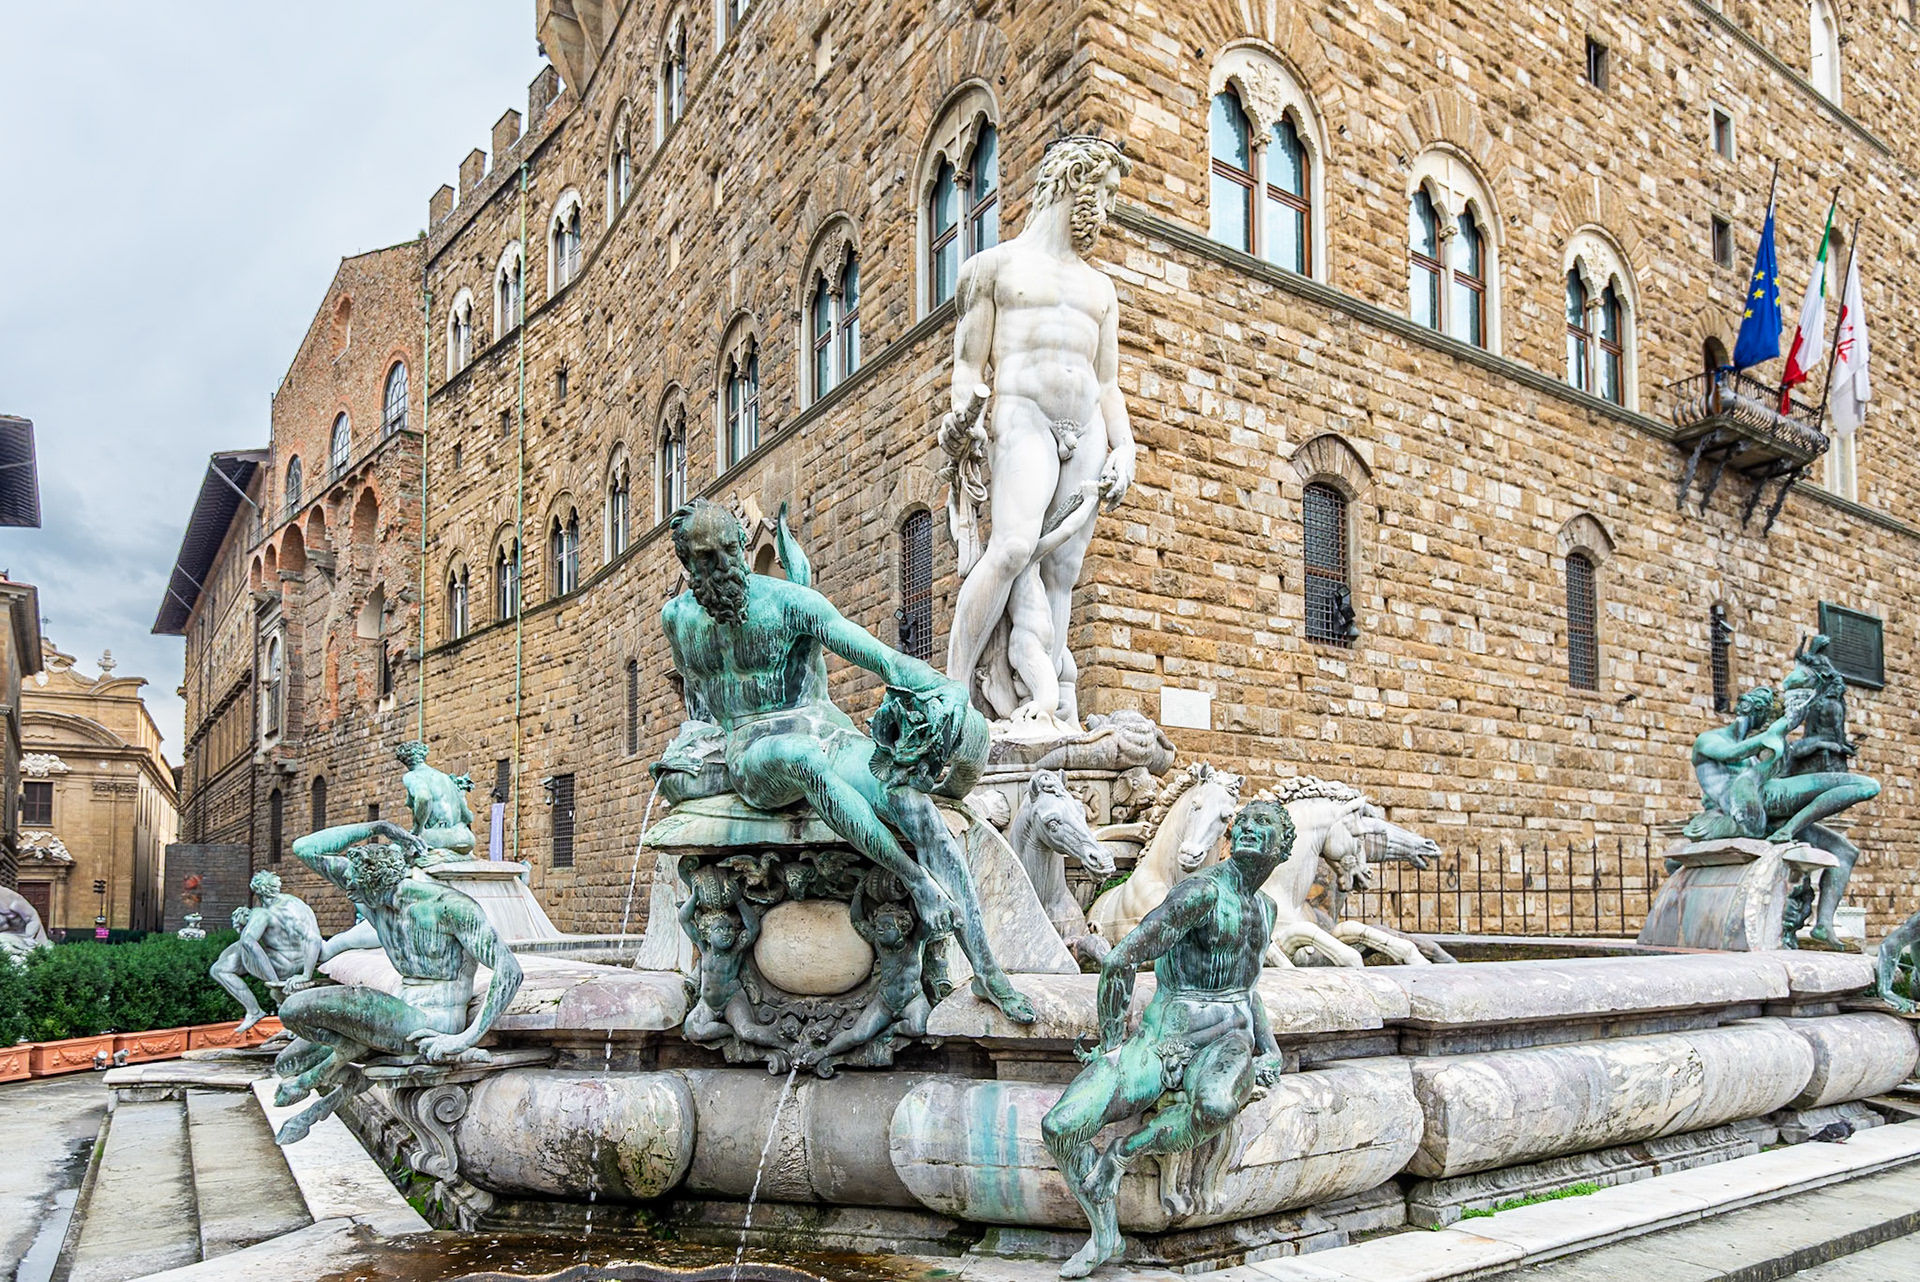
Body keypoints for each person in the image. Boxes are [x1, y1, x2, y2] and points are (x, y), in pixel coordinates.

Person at [658, 498, 1034, 1024]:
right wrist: (694, 749)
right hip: (754, 750)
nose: (720, 564)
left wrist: (942, 686)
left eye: (727, 550)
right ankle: (919, 884)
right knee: (804, 760)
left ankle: (989, 971)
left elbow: (875, 655)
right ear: (688, 564)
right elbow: (700, 703)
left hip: (826, 729)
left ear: (743, 547)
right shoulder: (677, 620)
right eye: (705, 557)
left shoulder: (789, 603)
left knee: (909, 799)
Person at [1041, 800, 1293, 1278]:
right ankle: (1104, 1233)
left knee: (1216, 1106)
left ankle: (1123, 1154)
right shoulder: (1200, 893)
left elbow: (1249, 986)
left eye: (1265, 826)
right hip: (1162, 1039)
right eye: (1245, 823)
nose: (1249, 831)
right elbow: (1120, 960)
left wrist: (1271, 1047)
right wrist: (1112, 1041)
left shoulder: (1266, 908)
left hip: (1226, 1041)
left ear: (1283, 850)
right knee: (1060, 1126)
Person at [939, 135, 1136, 730]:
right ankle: (952, 694)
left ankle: (1044, 710)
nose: (1104, 212)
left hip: (1089, 428)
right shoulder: (991, 269)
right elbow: (969, 368)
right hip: (1021, 415)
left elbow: (1107, 383)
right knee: (1014, 546)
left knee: (1062, 573)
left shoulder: (1101, 290)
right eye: (1101, 195)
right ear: (1074, 181)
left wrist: (1125, 445)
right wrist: (961, 417)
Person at [270, 825, 522, 1145]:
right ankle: (338, 1074)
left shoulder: (449, 906)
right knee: (287, 1063)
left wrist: (464, 1039)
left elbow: (510, 970)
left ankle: (325, 1076)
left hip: (432, 1022)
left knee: (294, 1007)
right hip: (396, 1012)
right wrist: (380, 829)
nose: (349, 894)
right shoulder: (373, 894)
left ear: (376, 884)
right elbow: (305, 848)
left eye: (355, 888)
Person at [208, 870, 321, 1033]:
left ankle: (254, 1011)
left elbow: (248, 941)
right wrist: (306, 974)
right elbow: (314, 939)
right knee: (237, 949)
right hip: (302, 962)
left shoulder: (261, 913)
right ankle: (289, 1023)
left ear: (257, 892)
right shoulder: (297, 903)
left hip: (279, 967)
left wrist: (274, 982)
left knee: (219, 969)